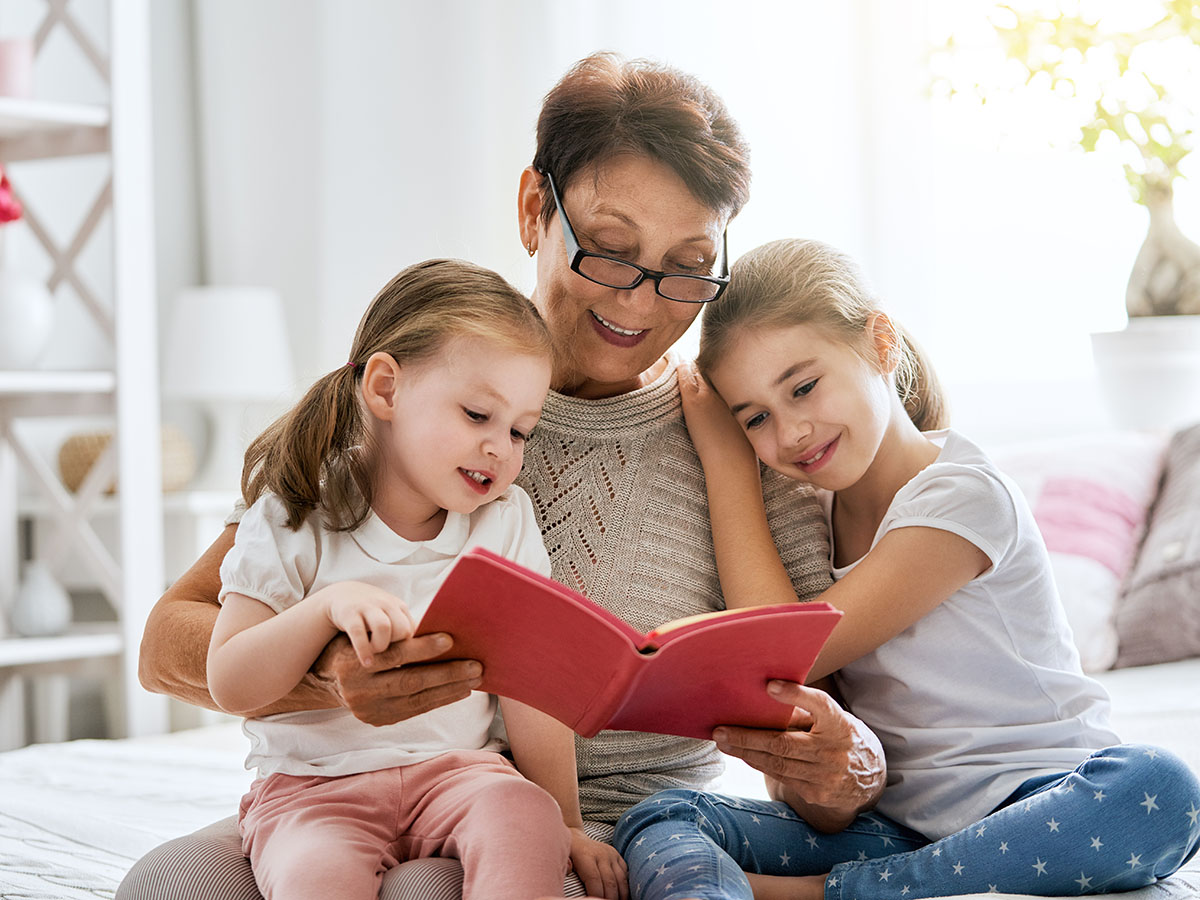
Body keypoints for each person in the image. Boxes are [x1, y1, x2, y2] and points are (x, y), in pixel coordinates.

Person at [120, 55, 885, 900]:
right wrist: (335, 669)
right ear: (534, 211)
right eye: (610, 250)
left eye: (687, 265)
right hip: (354, 782)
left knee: (431, 889)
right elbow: (168, 646)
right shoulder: (432, 396)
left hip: (608, 825)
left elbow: (820, 756)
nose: (640, 301)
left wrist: (838, 773)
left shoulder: (745, 430)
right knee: (168, 884)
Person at [612, 238, 1200, 899]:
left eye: (804, 387)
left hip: (1045, 805)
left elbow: (794, 652)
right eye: (754, 420)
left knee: (1161, 787)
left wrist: (727, 462)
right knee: (662, 816)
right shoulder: (810, 521)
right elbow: (799, 710)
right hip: (898, 827)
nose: (791, 433)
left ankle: (827, 894)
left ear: (880, 343)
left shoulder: (962, 494)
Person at [204, 257, 629, 900]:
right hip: (314, 790)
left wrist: (566, 819)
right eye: (477, 415)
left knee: (525, 819)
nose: (501, 449)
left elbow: (531, 691)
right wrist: (327, 609)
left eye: (520, 431)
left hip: (459, 774)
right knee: (313, 877)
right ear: (386, 389)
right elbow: (230, 681)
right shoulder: (293, 512)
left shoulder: (504, 521)